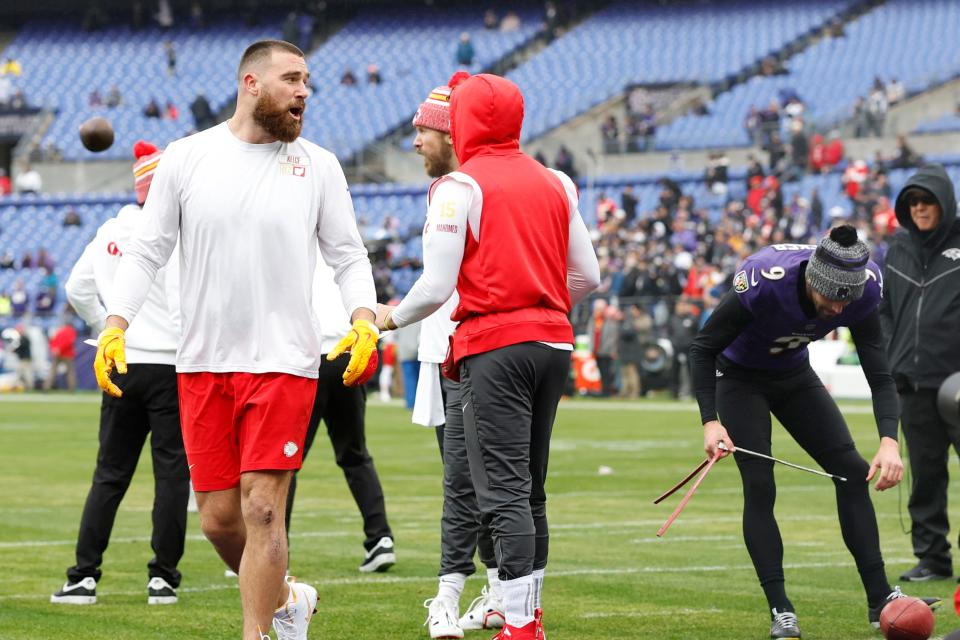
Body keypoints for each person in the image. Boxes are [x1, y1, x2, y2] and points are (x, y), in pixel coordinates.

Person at [92, 40, 378, 640]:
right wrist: (115, 324)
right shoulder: (187, 157)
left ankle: (258, 633)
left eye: (308, 81)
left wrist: (364, 318)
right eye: (292, 78)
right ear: (251, 83)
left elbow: (348, 254)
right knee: (221, 522)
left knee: (263, 508)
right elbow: (148, 250)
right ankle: (288, 597)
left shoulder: (319, 165)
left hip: (285, 362)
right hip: (201, 364)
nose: (304, 91)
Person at [376, 72, 600, 640]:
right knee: (530, 487)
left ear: (464, 121)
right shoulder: (558, 181)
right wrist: (539, 302)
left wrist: (385, 318)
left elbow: (434, 287)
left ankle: (520, 623)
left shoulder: (459, 187)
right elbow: (588, 275)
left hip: (492, 346)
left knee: (498, 491)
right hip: (551, 342)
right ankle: (528, 610)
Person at [689, 225, 940, 638]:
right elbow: (702, 348)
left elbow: (880, 373)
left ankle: (880, 599)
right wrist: (710, 420)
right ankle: (781, 609)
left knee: (851, 471)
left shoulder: (865, 287)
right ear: (811, 281)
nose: (840, 310)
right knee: (760, 485)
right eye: (832, 298)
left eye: (849, 300)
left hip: (792, 373)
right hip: (737, 379)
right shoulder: (764, 279)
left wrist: (889, 441)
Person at [52, 141, 189, 606]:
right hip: (170, 364)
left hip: (122, 359)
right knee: (171, 473)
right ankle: (163, 577)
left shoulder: (112, 228)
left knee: (110, 473)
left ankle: (83, 576)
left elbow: (76, 287)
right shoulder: (176, 233)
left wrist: (105, 327)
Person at [407, 78, 504, 638]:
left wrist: (389, 315)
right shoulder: (449, 188)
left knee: (472, 483)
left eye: (424, 130)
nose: (416, 141)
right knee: (468, 479)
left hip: (466, 351)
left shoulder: (464, 189)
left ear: (449, 132)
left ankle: (462, 592)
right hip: (441, 349)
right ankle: (495, 588)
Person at [284, 259, 396, 574]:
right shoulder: (346, 257)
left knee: (284, 462)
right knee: (355, 454)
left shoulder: (292, 248)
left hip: (308, 359)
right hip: (349, 352)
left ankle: (270, 547)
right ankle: (380, 538)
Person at [879, 165, 960, 582]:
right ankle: (933, 556)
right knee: (925, 476)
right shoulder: (899, 248)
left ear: (945, 203)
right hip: (913, 383)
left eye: (927, 200)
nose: (920, 208)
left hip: (958, 382)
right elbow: (886, 311)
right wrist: (893, 357)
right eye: (912, 201)